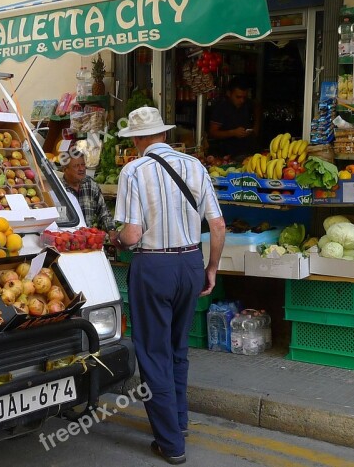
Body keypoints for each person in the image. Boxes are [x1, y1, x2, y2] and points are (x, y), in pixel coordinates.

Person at [110, 106, 226, 465]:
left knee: (153, 354)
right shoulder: (195, 166)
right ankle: (179, 421)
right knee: (178, 349)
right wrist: (211, 268)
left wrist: (113, 239)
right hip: (191, 262)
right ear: (162, 134)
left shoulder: (133, 171)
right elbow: (218, 226)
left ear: (138, 140)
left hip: (154, 267)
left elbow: (131, 235)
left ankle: (170, 443)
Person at [61, 151, 116, 236]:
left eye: (83, 165)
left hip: (90, 239)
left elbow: (103, 212)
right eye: (76, 166)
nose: (81, 169)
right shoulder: (58, 189)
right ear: (65, 169)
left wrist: (111, 231)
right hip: (67, 239)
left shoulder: (90, 184)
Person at [207, 77, 260, 158]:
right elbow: (213, 133)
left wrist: (256, 127)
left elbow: (257, 107)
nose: (242, 100)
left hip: (248, 151)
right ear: (229, 93)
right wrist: (233, 133)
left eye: (244, 97)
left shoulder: (247, 103)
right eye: (238, 97)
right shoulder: (221, 108)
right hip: (227, 153)